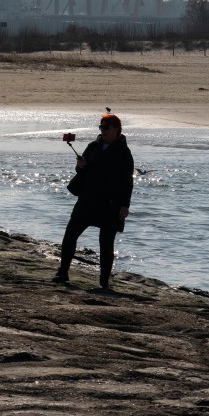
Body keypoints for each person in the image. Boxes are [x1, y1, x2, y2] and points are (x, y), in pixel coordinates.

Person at [54, 113, 134, 290]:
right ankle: (62, 272)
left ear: (116, 129)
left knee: (106, 244)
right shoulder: (93, 146)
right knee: (70, 235)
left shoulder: (124, 152)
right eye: (101, 127)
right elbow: (82, 169)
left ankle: (104, 282)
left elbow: (127, 181)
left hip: (110, 203)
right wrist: (80, 166)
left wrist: (125, 205)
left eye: (106, 127)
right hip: (88, 199)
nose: (102, 130)